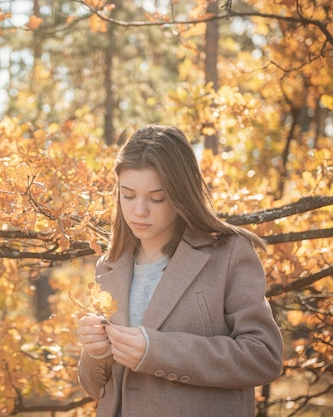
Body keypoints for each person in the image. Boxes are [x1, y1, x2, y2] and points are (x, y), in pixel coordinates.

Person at [77, 124, 283, 417]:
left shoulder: (228, 254)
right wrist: (94, 353)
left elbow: (264, 356)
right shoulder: (108, 266)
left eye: (156, 197)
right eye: (128, 195)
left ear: (180, 193)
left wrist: (157, 351)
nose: (140, 211)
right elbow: (95, 388)